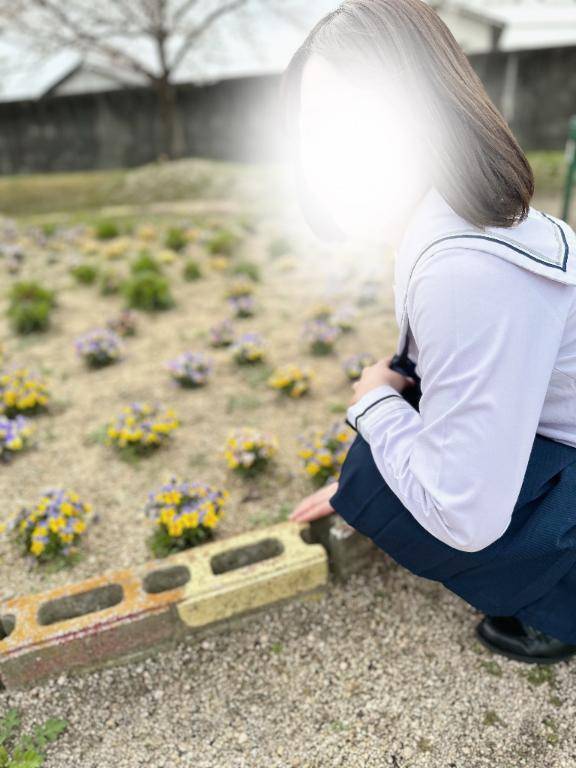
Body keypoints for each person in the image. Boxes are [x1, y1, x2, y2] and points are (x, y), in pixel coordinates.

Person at [283, 0, 576, 664]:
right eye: (312, 127)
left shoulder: (465, 270)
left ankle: (562, 604)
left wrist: (371, 405)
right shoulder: (459, 217)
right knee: (376, 463)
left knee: (383, 478)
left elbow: (463, 516)